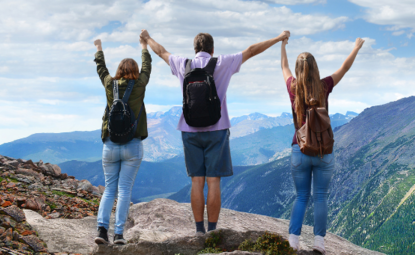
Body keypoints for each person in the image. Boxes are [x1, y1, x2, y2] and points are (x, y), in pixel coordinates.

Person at [141, 29, 290, 234]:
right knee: (213, 182)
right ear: (212, 49)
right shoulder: (223, 63)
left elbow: (161, 52)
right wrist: (278, 38)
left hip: (189, 129)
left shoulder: (182, 64)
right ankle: (212, 231)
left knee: (196, 181)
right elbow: (252, 50)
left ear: (195, 49)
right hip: (217, 129)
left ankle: (198, 230)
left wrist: (147, 39)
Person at [280, 36, 364, 254]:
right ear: (316, 68)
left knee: (301, 196)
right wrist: (355, 47)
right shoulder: (324, 85)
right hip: (323, 151)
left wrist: (282, 44)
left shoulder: (293, 87)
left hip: (300, 150)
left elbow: (284, 67)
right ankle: (319, 243)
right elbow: (344, 68)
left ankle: (293, 242)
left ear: (299, 70)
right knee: (320, 197)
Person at [92, 35, 152, 245]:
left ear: (119, 71)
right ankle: (118, 234)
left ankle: (101, 231)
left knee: (109, 189)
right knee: (124, 190)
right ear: (135, 72)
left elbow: (101, 68)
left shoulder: (110, 84)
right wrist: (144, 45)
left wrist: (99, 48)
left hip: (110, 144)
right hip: (133, 145)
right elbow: (147, 66)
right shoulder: (140, 85)